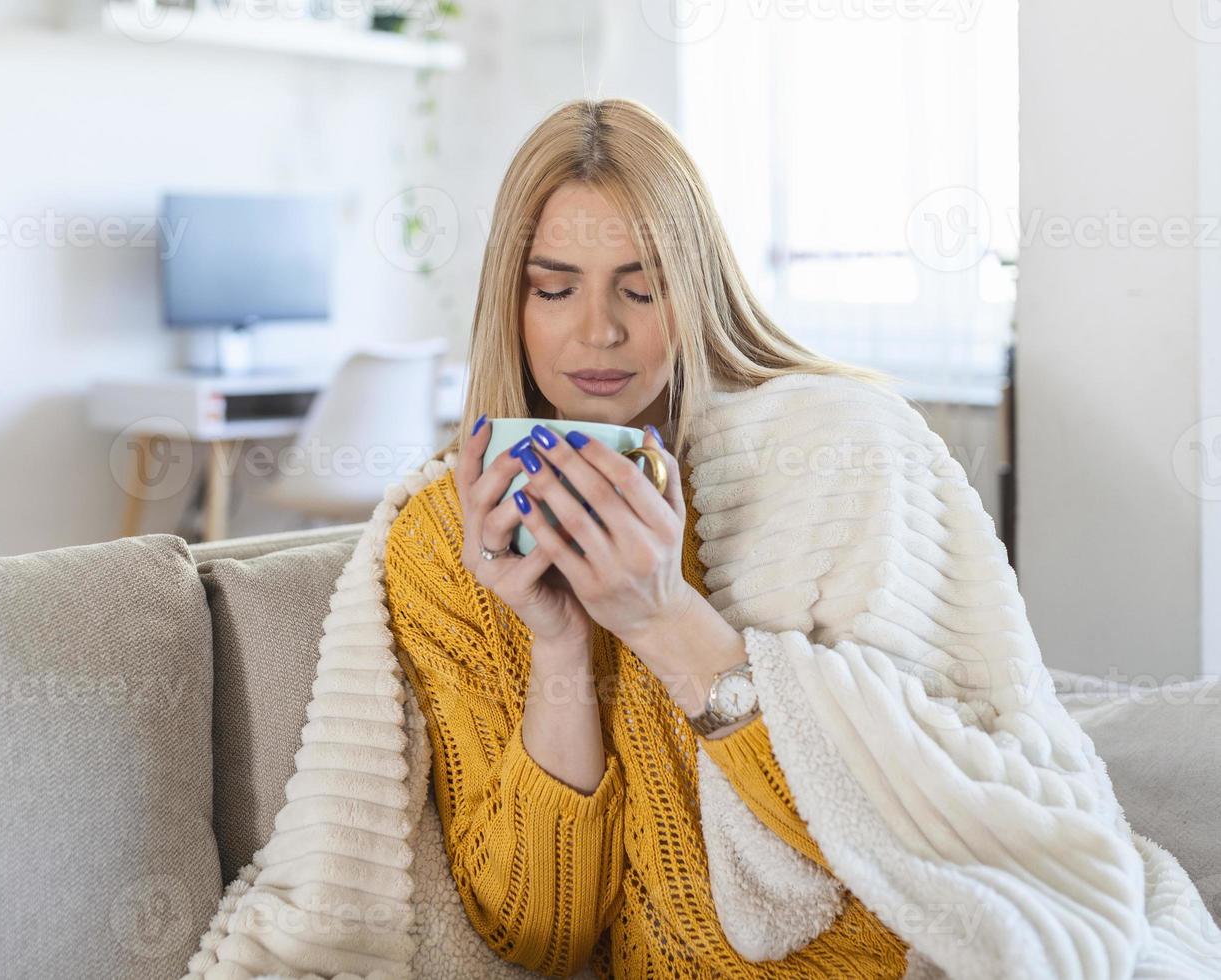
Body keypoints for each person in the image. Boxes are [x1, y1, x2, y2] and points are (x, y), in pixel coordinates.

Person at [383, 97, 911, 977]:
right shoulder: (447, 539)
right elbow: (541, 936)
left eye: (643, 286)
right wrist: (558, 646)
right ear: (510, 305)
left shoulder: (826, 458)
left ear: (697, 288)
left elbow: (903, 834)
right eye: (555, 289)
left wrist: (666, 619)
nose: (601, 330)